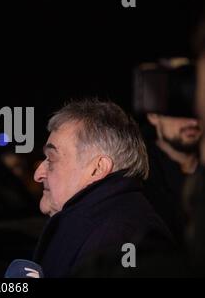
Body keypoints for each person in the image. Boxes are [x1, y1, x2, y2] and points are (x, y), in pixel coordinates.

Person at [32, 99, 173, 277]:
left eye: (51, 159)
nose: (38, 174)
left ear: (98, 168)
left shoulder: (118, 239)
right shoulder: (102, 225)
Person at [133, 59, 202, 243]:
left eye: (196, 111)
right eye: (178, 110)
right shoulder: (137, 175)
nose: (192, 122)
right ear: (154, 115)